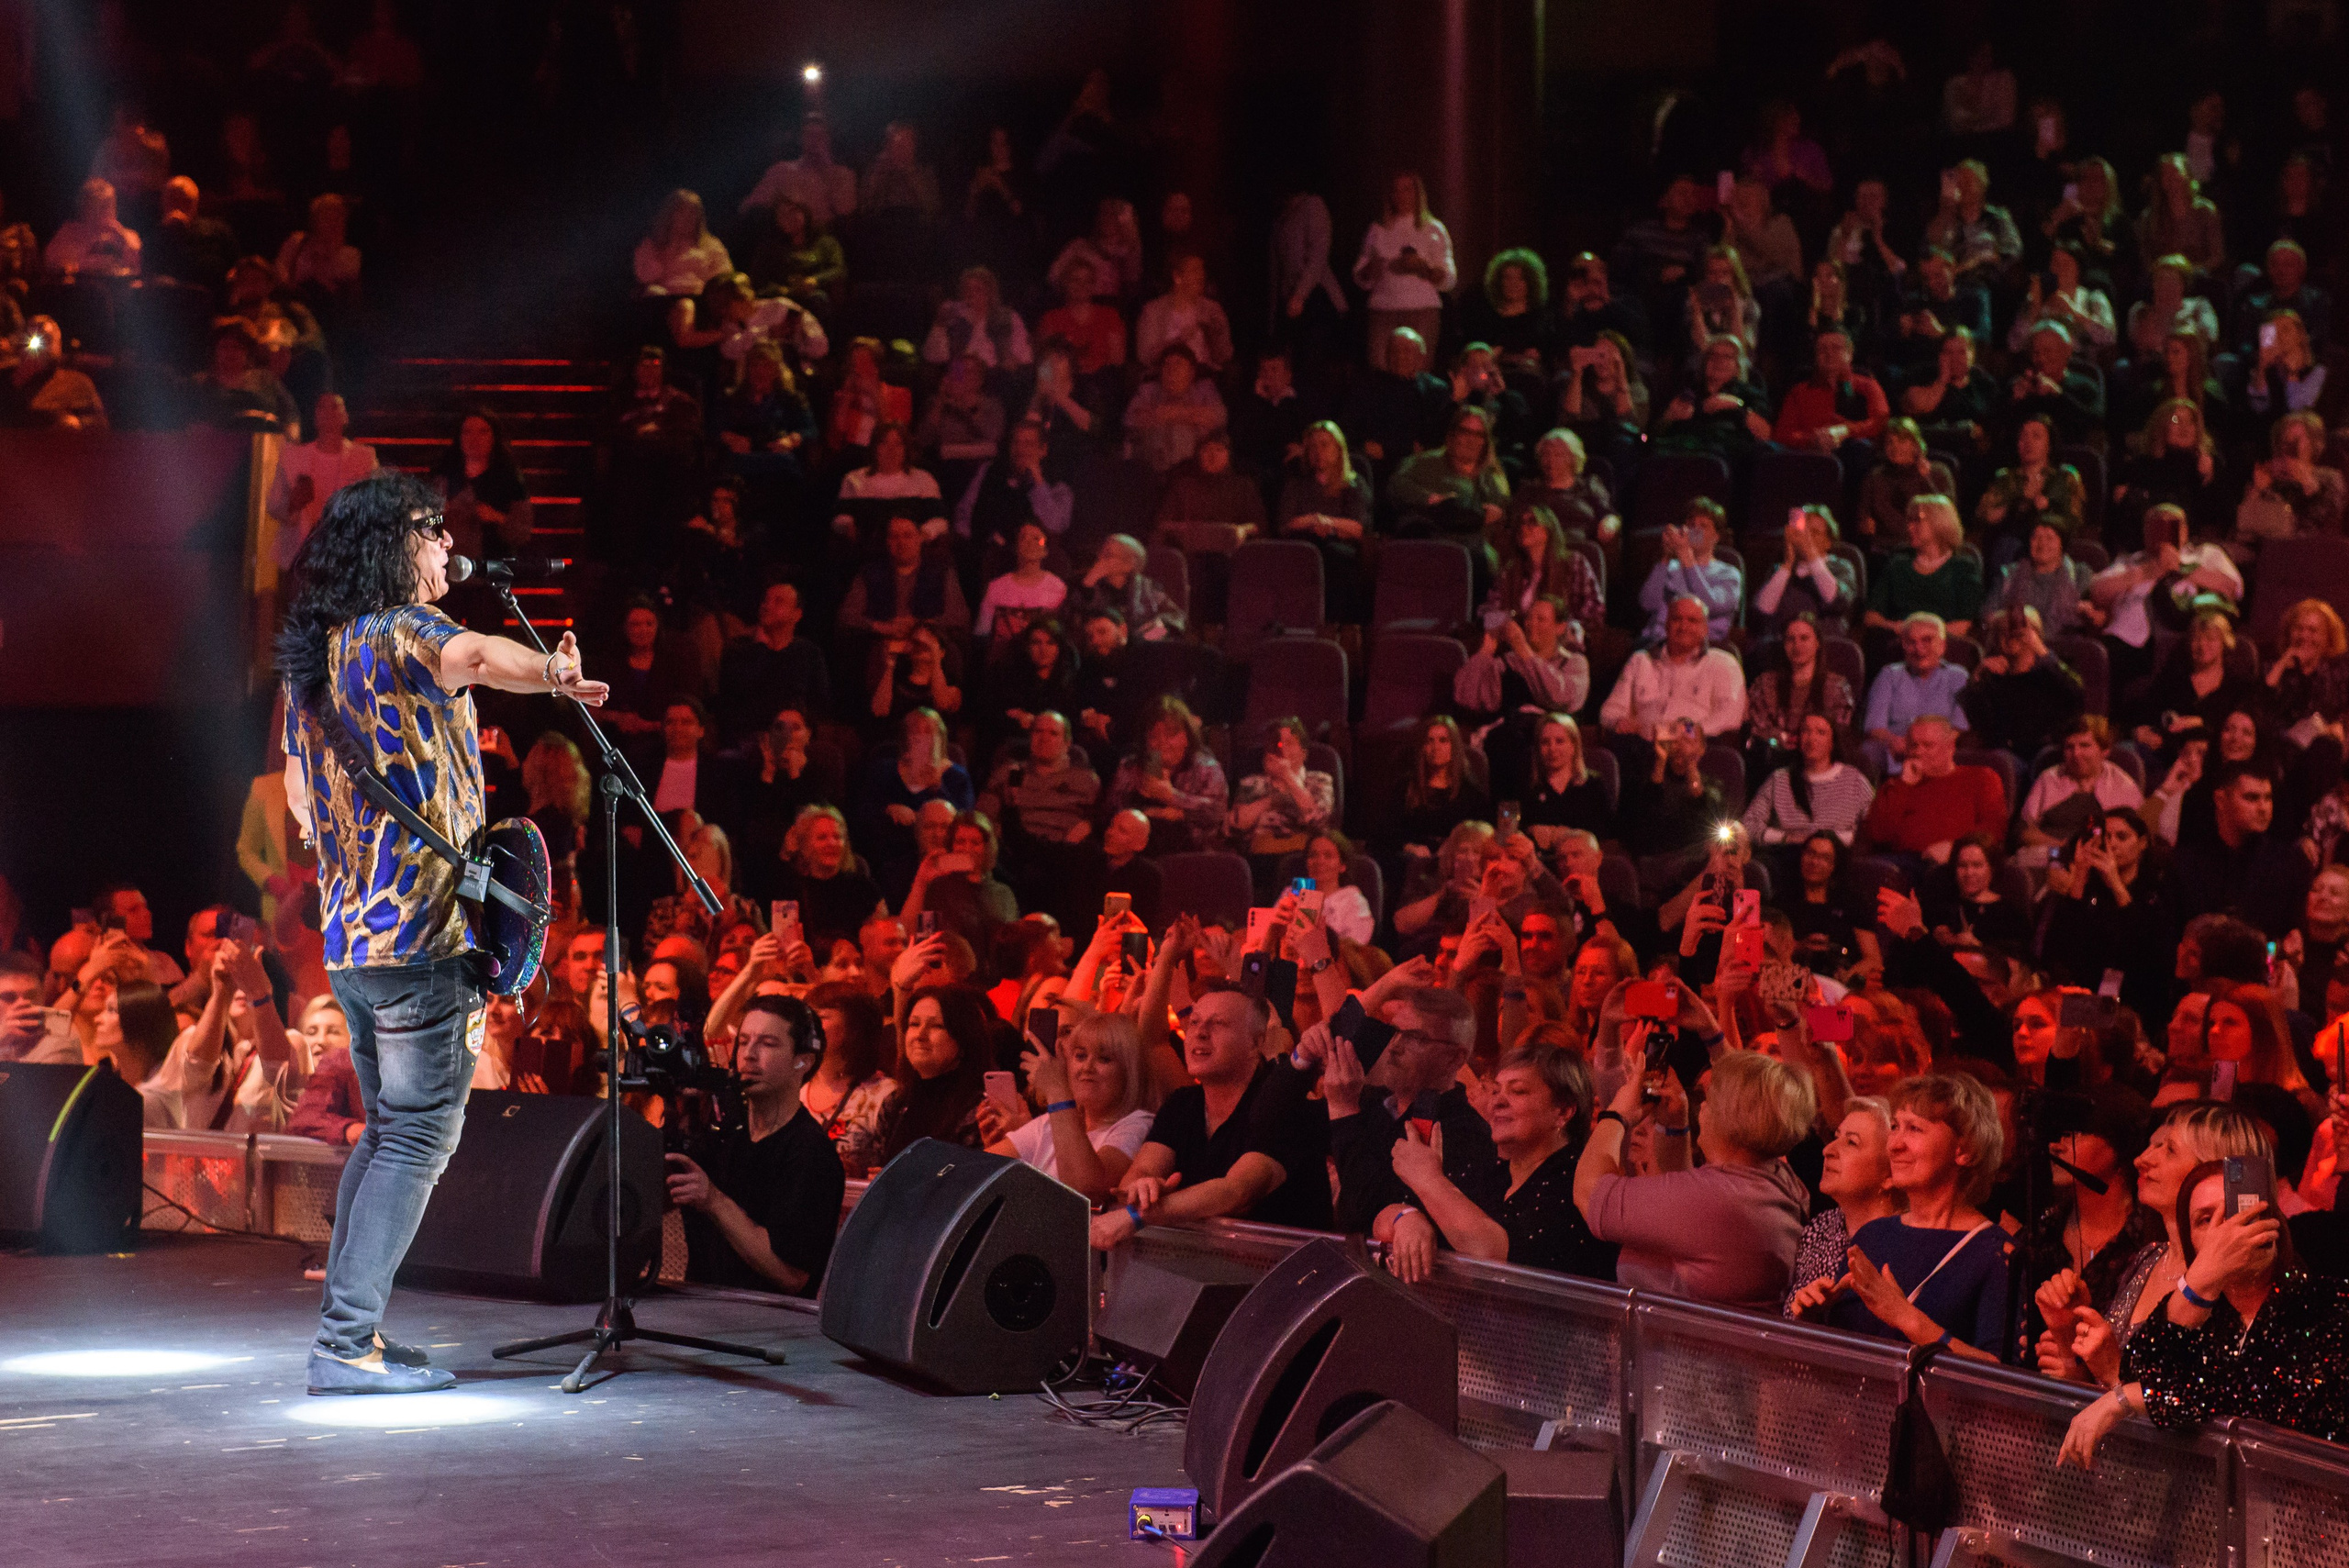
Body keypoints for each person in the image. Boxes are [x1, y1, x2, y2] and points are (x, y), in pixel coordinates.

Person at [275, 471, 609, 1395]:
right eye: (432, 530)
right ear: (391, 544)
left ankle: (352, 1331)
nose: (448, 547)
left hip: (354, 941)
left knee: (390, 1131)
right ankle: (346, 1343)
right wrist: (552, 673)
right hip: (424, 935)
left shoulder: (318, 662)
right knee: (418, 1136)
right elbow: (476, 653)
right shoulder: (402, 628)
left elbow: (302, 798)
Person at [2060, 1162, 2349, 1462]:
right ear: (2192, 1245)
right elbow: (2138, 1374)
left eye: (2236, 1210)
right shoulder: (2203, 1320)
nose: (2224, 1231)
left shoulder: (2328, 1303)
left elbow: (2260, 1398)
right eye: (2205, 1219)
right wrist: (2197, 1282)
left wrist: (2129, 1398)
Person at [1575, 1037, 1817, 1311]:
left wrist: (1617, 1114)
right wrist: (1673, 1126)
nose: (1701, 1107)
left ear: (1730, 1117)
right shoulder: (1779, 1180)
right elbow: (1681, 1204)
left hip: (1672, 1337)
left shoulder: (1720, 1199)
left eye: (1709, 1099)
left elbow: (1588, 1192)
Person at [1090, 984, 1332, 1248]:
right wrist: (1144, 1187)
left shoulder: (1284, 1106)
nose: (1200, 1032)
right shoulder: (1183, 1103)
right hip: (1199, 1264)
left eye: (1218, 1024)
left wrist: (1139, 1215)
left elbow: (1237, 1191)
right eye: (1194, 1022)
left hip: (1288, 1267)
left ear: (1256, 1043)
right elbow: (1140, 1172)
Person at [1789, 1073, 2010, 1360]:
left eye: (1915, 1129)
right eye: (1895, 1127)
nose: (1894, 1145)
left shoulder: (1996, 1253)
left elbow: (1999, 1374)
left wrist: (1906, 1317)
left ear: (1964, 1150)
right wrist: (1813, 1318)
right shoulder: (1872, 1235)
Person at [1380, 1044, 1613, 1279]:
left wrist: (1428, 1180)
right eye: (1495, 1091)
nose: (1497, 1102)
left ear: (1563, 1112)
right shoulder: (1490, 1169)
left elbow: (1493, 1256)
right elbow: (1382, 1217)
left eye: (1518, 1091)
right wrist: (1407, 1217)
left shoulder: (1578, 1181)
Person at [666, 995, 846, 1296]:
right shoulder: (721, 1132)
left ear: (803, 1061)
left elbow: (791, 1276)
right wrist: (678, 1110)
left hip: (768, 1318)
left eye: (768, 1043)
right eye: (744, 1041)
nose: (749, 1054)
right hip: (699, 1307)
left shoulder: (811, 1153)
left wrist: (714, 1200)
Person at [1317, 984, 1497, 1235]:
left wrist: (1344, 1111)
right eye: (1395, 1032)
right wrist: (1300, 1061)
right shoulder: (1370, 1102)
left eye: (1415, 1038)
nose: (1395, 1046)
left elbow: (1365, 1216)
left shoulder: (1465, 1134)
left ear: (1455, 1058)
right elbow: (1280, 1136)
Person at [983, 1011, 1157, 1203]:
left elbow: (1085, 1190)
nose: (1087, 1067)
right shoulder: (1051, 1122)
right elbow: (981, 1169)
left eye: (1104, 1059)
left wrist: (1057, 1090)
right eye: (1080, 1056)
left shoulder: (1138, 1124)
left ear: (1129, 1072)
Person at [2166, 762, 2314, 940]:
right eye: (2251, 798)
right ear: (2220, 800)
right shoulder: (2185, 865)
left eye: (2268, 798)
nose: (2263, 808)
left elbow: (2293, 935)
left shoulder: (2290, 863)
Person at [1785, 1098, 1901, 1313]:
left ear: (1890, 1175)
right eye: (1836, 1137)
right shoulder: (1821, 1226)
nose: (1828, 1150)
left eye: (1851, 1143)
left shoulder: (1905, 1244)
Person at [1856, 717, 2007, 867]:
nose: (1918, 752)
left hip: (1957, 862)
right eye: (1914, 745)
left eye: (1928, 745)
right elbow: (1878, 836)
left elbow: (1994, 828)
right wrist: (1904, 786)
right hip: (1904, 862)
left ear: (1950, 747)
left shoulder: (1982, 778)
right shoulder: (1895, 785)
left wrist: (1955, 848)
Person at [1600, 595, 1747, 749]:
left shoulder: (1724, 663)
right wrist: (1618, 722)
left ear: (1705, 628)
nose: (1683, 627)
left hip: (1695, 750)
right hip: (1640, 746)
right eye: (1677, 619)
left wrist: (1685, 732)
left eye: (1692, 620)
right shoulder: (1641, 660)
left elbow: (1730, 717)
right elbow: (1610, 710)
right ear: (1666, 625)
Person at [1353, 172, 1454, 369]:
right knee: (1380, 369)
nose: (1400, 196)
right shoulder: (1377, 229)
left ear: (1418, 194)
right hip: (1383, 310)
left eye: (1406, 190)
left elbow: (1449, 279)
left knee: (1417, 370)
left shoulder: (1433, 229)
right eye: (1396, 191)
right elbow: (1361, 275)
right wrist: (1372, 268)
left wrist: (1423, 268)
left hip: (1422, 310)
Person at [267, 394, 379, 571]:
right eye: (321, 407)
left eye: (334, 407)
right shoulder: (293, 457)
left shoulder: (363, 459)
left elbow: (376, 506)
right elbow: (273, 505)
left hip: (345, 557)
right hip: (300, 559)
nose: (328, 413)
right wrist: (293, 502)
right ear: (314, 416)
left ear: (345, 417)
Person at [1961, 605, 2084, 763]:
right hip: (2004, 753)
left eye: (2018, 631)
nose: (2011, 636)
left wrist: (2044, 654)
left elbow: (2077, 698)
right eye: (2003, 632)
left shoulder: (2053, 670)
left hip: (2048, 752)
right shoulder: (1991, 678)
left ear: (2036, 634)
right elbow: (1975, 720)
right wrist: (1977, 678)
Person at [1103, 698, 1227, 853]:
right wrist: (1145, 808)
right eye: (1154, 737)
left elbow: (1218, 812)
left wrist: (1171, 797)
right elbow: (1110, 809)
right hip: (1138, 852)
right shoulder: (1133, 765)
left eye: (1170, 734)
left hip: (1192, 854)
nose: (1162, 743)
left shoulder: (1206, 768)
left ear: (1187, 737)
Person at [1745, 711, 1875, 850]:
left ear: (1832, 742)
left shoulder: (1854, 780)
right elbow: (1748, 824)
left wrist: (1832, 840)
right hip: (1787, 853)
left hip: (1838, 855)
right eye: (1806, 731)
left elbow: (1874, 826)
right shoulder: (1780, 780)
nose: (1812, 738)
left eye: (1821, 732)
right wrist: (1785, 838)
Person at [1865, 496, 1981, 647]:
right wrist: (1898, 628)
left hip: (1945, 647)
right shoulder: (1898, 565)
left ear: (1939, 522)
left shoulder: (1963, 568)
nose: (1910, 528)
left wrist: (1924, 637)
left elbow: (1964, 625)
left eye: (1917, 521)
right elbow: (1871, 617)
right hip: (1898, 645)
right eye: (1909, 521)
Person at [1863, 614, 1971, 772]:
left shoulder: (1958, 676)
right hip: (1897, 751)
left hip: (1940, 753)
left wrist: (1929, 748)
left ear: (1942, 645)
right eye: (1911, 642)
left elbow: (1960, 727)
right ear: (1903, 645)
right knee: (1868, 751)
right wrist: (1896, 742)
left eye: (1927, 640)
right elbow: (1874, 728)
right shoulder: (1889, 675)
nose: (1919, 649)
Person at [1387, 405, 1510, 539]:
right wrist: (1430, 499)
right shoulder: (1425, 463)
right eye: (1465, 432)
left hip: (1475, 544)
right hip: (1432, 540)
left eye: (1479, 435)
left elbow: (1504, 511)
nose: (1471, 440)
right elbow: (1396, 484)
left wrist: (1498, 514)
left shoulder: (1492, 476)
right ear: (1453, 434)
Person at [1771, 328, 1889, 460]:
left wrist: (1846, 431)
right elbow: (1782, 434)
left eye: (1836, 348)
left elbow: (1881, 423)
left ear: (1850, 353)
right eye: (1822, 349)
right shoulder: (1799, 392)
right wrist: (1812, 439)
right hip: (1809, 457)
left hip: (1855, 456)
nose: (1829, 354)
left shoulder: (1868, 386)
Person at [1637, 498, 1742, 645]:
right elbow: (1647, 604)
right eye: (1691, 525)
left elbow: (1709, 606)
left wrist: (1686, 556)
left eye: (1703, 526)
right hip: (1658, 642)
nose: (1695, 530)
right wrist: (1666, 558)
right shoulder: (1670, 566)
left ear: (1716, 536)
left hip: (1704, 646)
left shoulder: (1728, 574)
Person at [1753, 506, 1856, 637]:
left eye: (1814, 533)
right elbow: (1762, 612)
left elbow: (1837, 602)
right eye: (1803, 531)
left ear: (1828, 542)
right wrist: (1788, 565)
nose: (1806, 538)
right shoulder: (1780, 569)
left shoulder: (1840, 567)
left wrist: (1810, 553)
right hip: (1783, 641)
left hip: (1826, 641)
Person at [1982, 522, 2094, 640]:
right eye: (2036, 537)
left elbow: (2094, 616)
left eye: (2049, 538)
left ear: (2062, 544)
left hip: (2065, 644)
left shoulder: (2079, 575)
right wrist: (2012, 620)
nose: (2042, 543)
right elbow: (1988, 613)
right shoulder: (2010, 574)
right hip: (2016, 641)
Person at [632, 189, 730, 297]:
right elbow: (645, 277)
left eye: (692, 212)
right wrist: (668, 252)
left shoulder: (711, 245)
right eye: (682, 212)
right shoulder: (653, 244)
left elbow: (723, 277)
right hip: (664, 298)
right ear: (669, 215)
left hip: (699, 298)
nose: (687, 218)